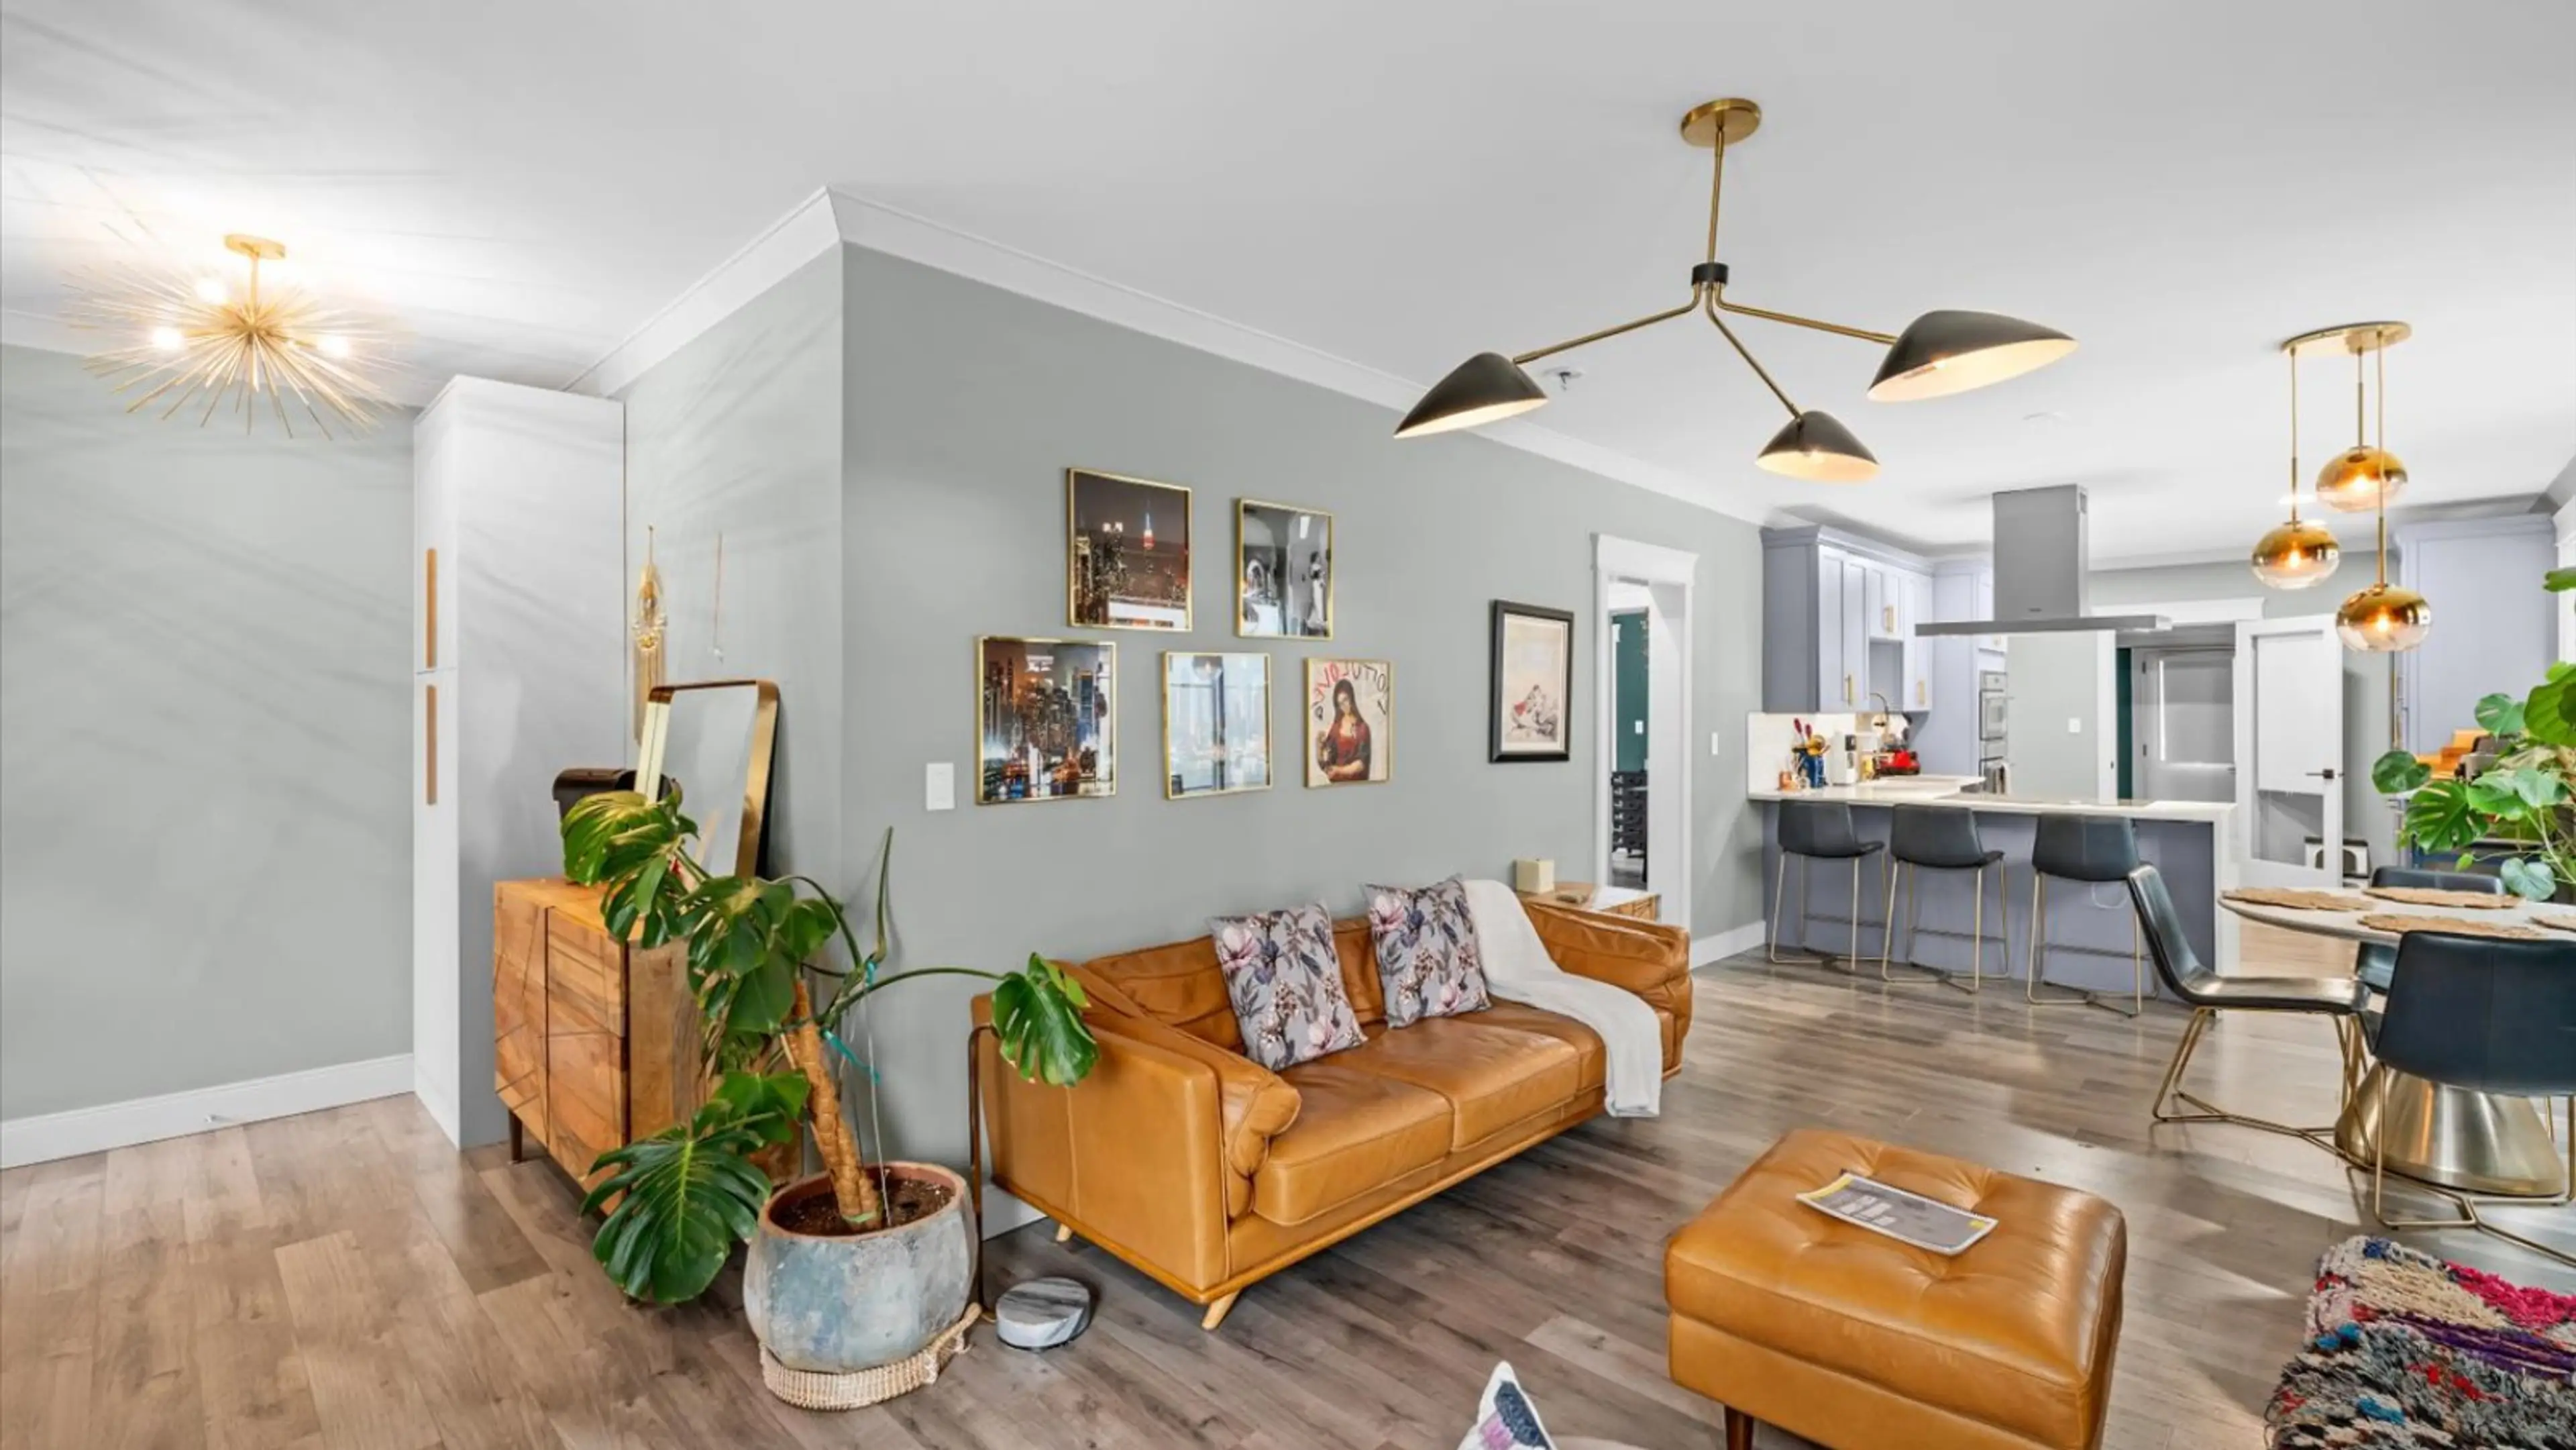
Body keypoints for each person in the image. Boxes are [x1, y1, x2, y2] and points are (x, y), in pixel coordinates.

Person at [1315, 677, 1373, 782]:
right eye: (1340, 703)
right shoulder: (1336, 727)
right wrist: (1319, 747)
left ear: (1352, 698)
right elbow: (1327, 763)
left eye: (1345, 700)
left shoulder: (1362, 728)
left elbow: (1361, 764)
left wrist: (1339, 771)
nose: (1344, 706)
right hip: (1336, 784)